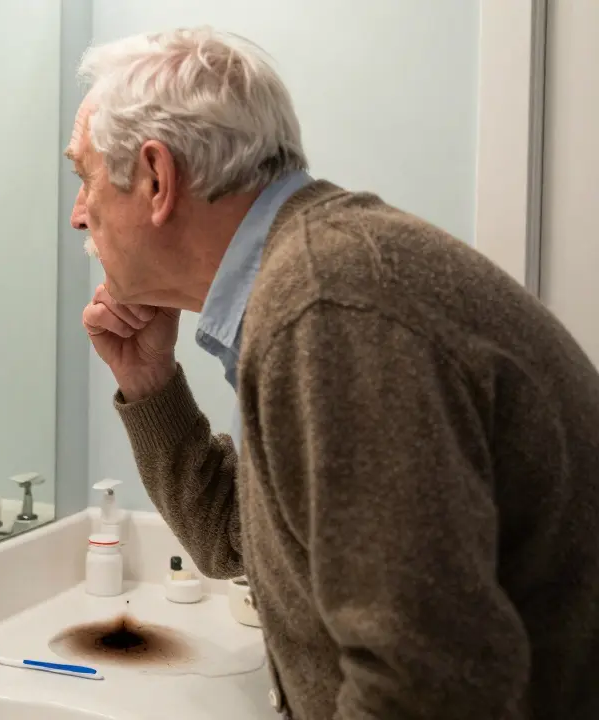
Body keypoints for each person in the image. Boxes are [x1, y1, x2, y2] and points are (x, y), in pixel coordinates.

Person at [71, 27, 599, 719]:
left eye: (84, 178)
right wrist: (150, 384)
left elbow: (426, 687)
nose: (78, 216)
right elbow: (240, 539)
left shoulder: (326, 304)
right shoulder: (312, 278)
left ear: (156, 179)